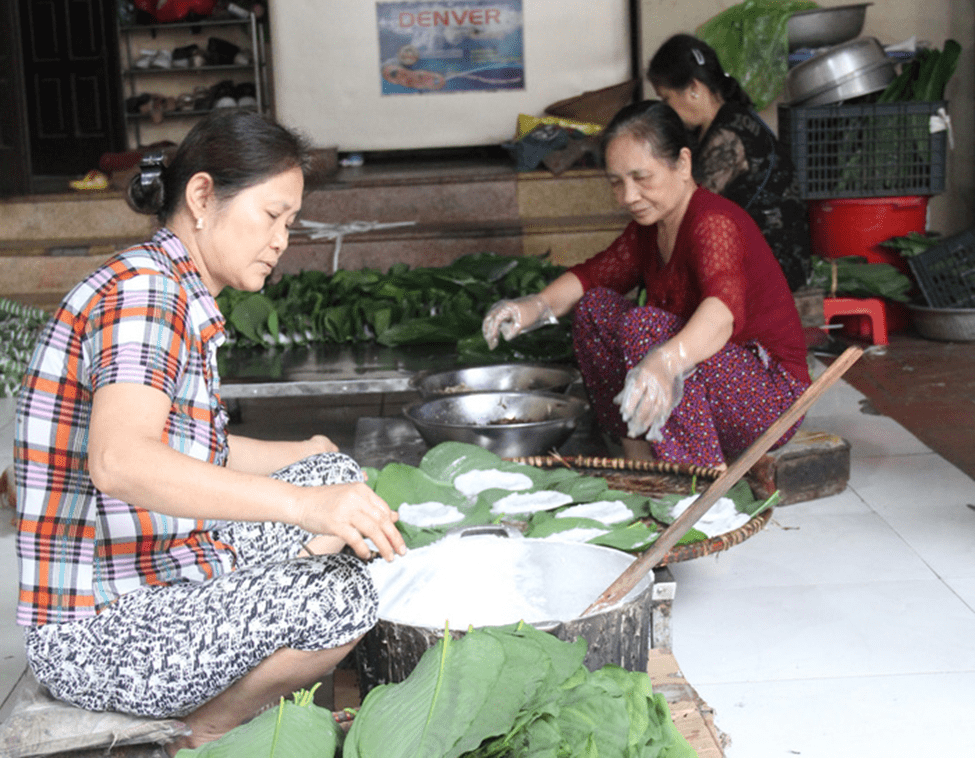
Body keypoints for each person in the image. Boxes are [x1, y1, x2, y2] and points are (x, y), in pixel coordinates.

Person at [13, 110, 406, 753]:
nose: (281, 240)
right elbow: (121, 461)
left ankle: (249, 635)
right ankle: (202, 732)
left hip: (156, 568)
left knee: (334, 474)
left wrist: (309, 457)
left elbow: (193, 448)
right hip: (97, 631)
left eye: (290, 223)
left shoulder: (166, 283)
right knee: (339, 597)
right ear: (201, 197)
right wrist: (303, 505)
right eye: (271, 215)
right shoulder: (145, 296)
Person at [482, 101, 810, 468]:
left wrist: (666, 361)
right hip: (710, 384)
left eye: (641, 178)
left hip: (771, 400)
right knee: (595, 311)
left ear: (682, 164)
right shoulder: (650, 229)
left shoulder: (714, 222)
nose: (628, 196)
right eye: (616, 183)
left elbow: (721, 316)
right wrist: (535, 306)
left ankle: (698, 474)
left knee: (645, 328)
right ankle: (636, 455)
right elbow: (592, 277)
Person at [647, 33, 811, 291]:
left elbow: (690, 207)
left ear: (694, 89)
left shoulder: (730, 134)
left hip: (776, 265)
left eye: (666, 98)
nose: (666, 109)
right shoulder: (716, 125)